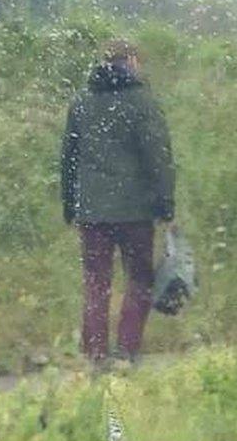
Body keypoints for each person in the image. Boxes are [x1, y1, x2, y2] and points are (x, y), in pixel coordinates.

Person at [61, 40, 176, 366]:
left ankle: (95, 357)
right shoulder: (143, 102)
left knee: (96, 282)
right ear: (131, 62)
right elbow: (159, 159)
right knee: (139, 279)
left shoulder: (81, 102)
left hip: (92, 212)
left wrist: (70, 204)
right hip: (135, 212)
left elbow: (68, 158)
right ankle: (126, 353)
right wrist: (165, 204)